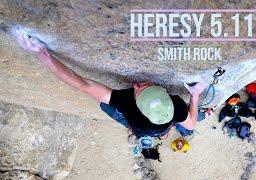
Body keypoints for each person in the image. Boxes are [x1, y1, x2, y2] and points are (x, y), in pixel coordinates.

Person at [15, 30, 207, 139]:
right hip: (158, 126)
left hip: (140, 127)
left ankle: (156, 133)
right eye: (146, 86)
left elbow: (82, 85)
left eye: (139, 91)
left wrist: (41, 54)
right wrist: (195, 95)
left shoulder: (127, 104)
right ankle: (163, 133)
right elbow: (189, 125)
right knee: (161, 132)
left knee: (129, 124)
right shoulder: (176, 107)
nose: (137, 85)